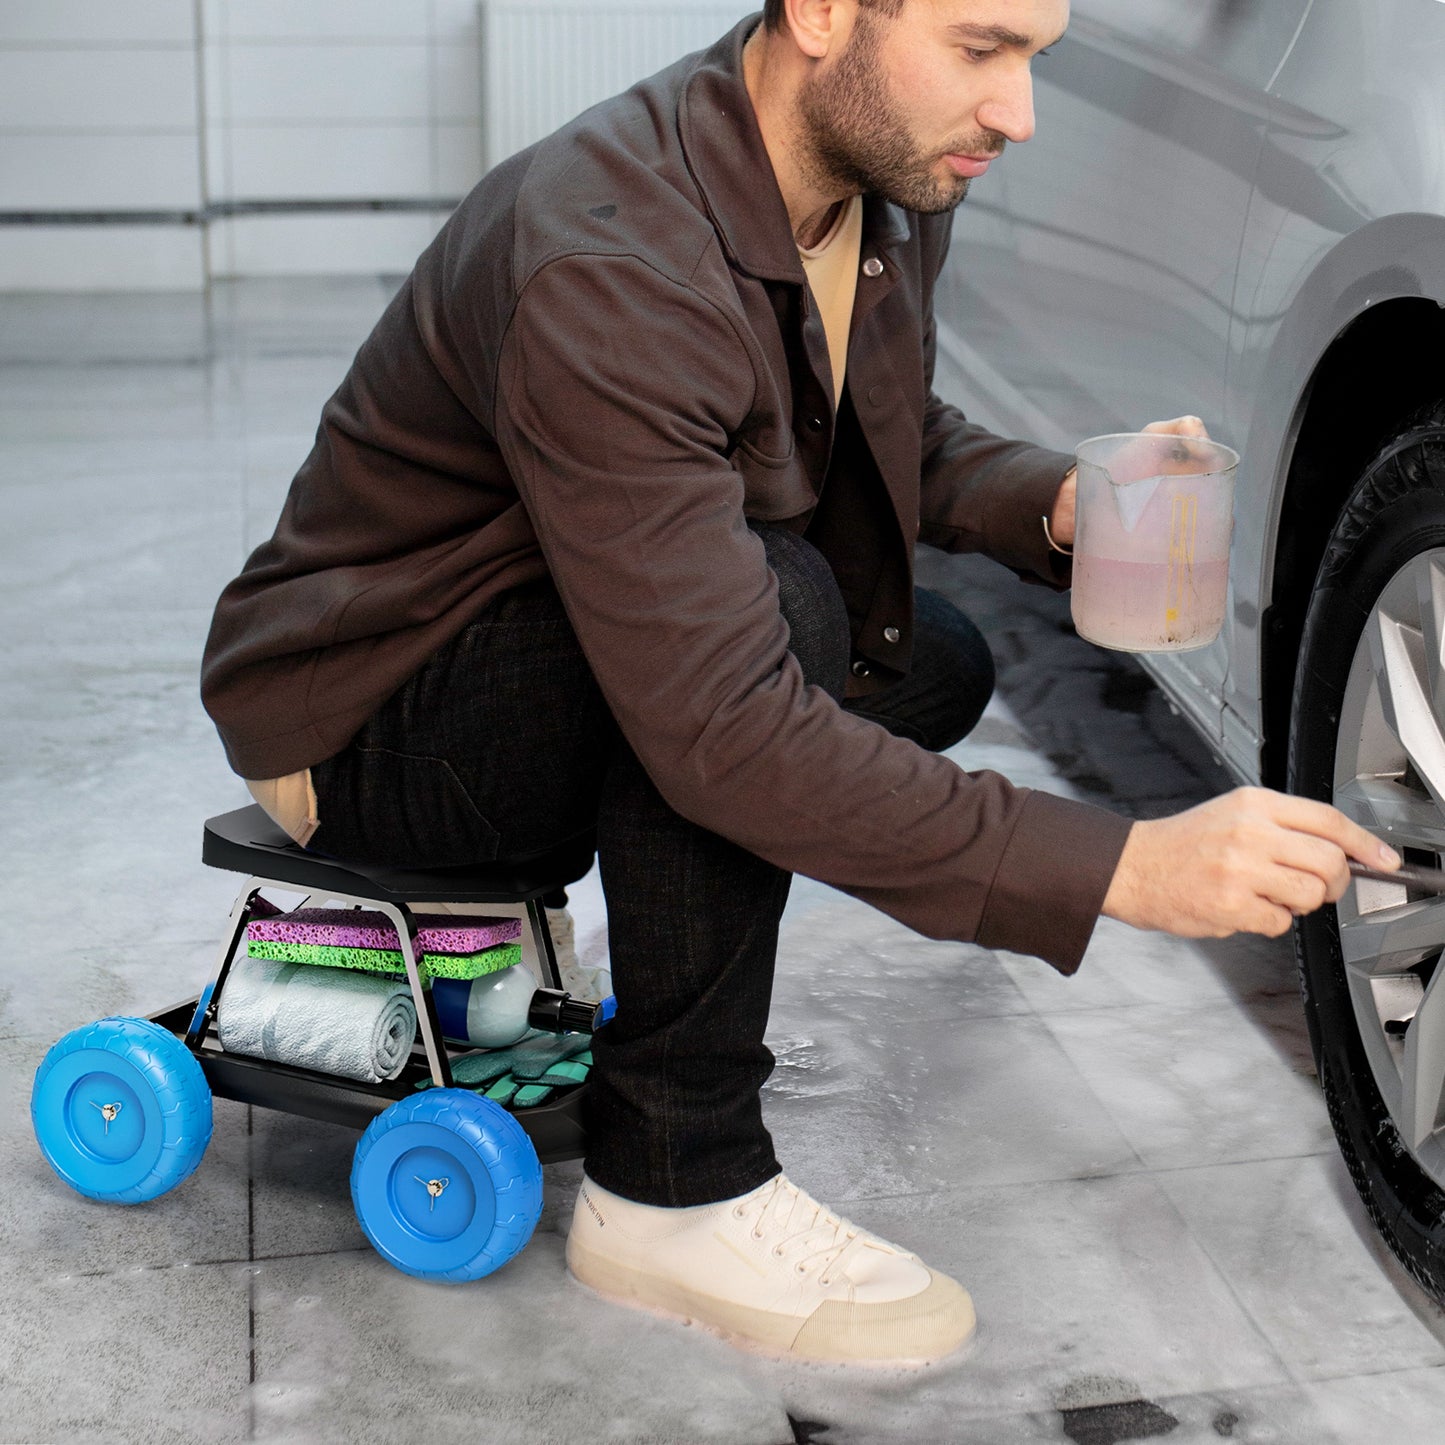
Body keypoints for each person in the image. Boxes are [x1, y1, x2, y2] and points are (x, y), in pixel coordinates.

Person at [200, 0, 1397, 1365]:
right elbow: (726, 729)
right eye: (980, 48)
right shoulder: (611, 255)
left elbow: (878, 429)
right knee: (776, 632)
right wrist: (1127, 866)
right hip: (366, 710)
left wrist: (1053, 501)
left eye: (1035, 58)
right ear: (823, 12)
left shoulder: (873, 184)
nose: (1018, 115)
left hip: (543, 628)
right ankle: (672, 1179)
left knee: (925, 659)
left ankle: (666, 928)